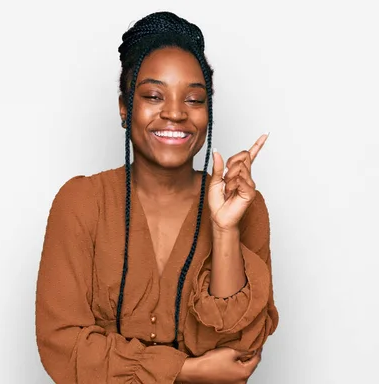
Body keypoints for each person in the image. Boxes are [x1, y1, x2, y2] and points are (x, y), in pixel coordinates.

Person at [35, 11, 278, 384]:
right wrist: (184, 370)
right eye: (152, 95)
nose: (176, 112)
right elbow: (62, 344)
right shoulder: (80, 202)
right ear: (124, 107)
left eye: (194, 100)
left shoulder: (244, 206)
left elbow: (237, 353)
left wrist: (225, 228)